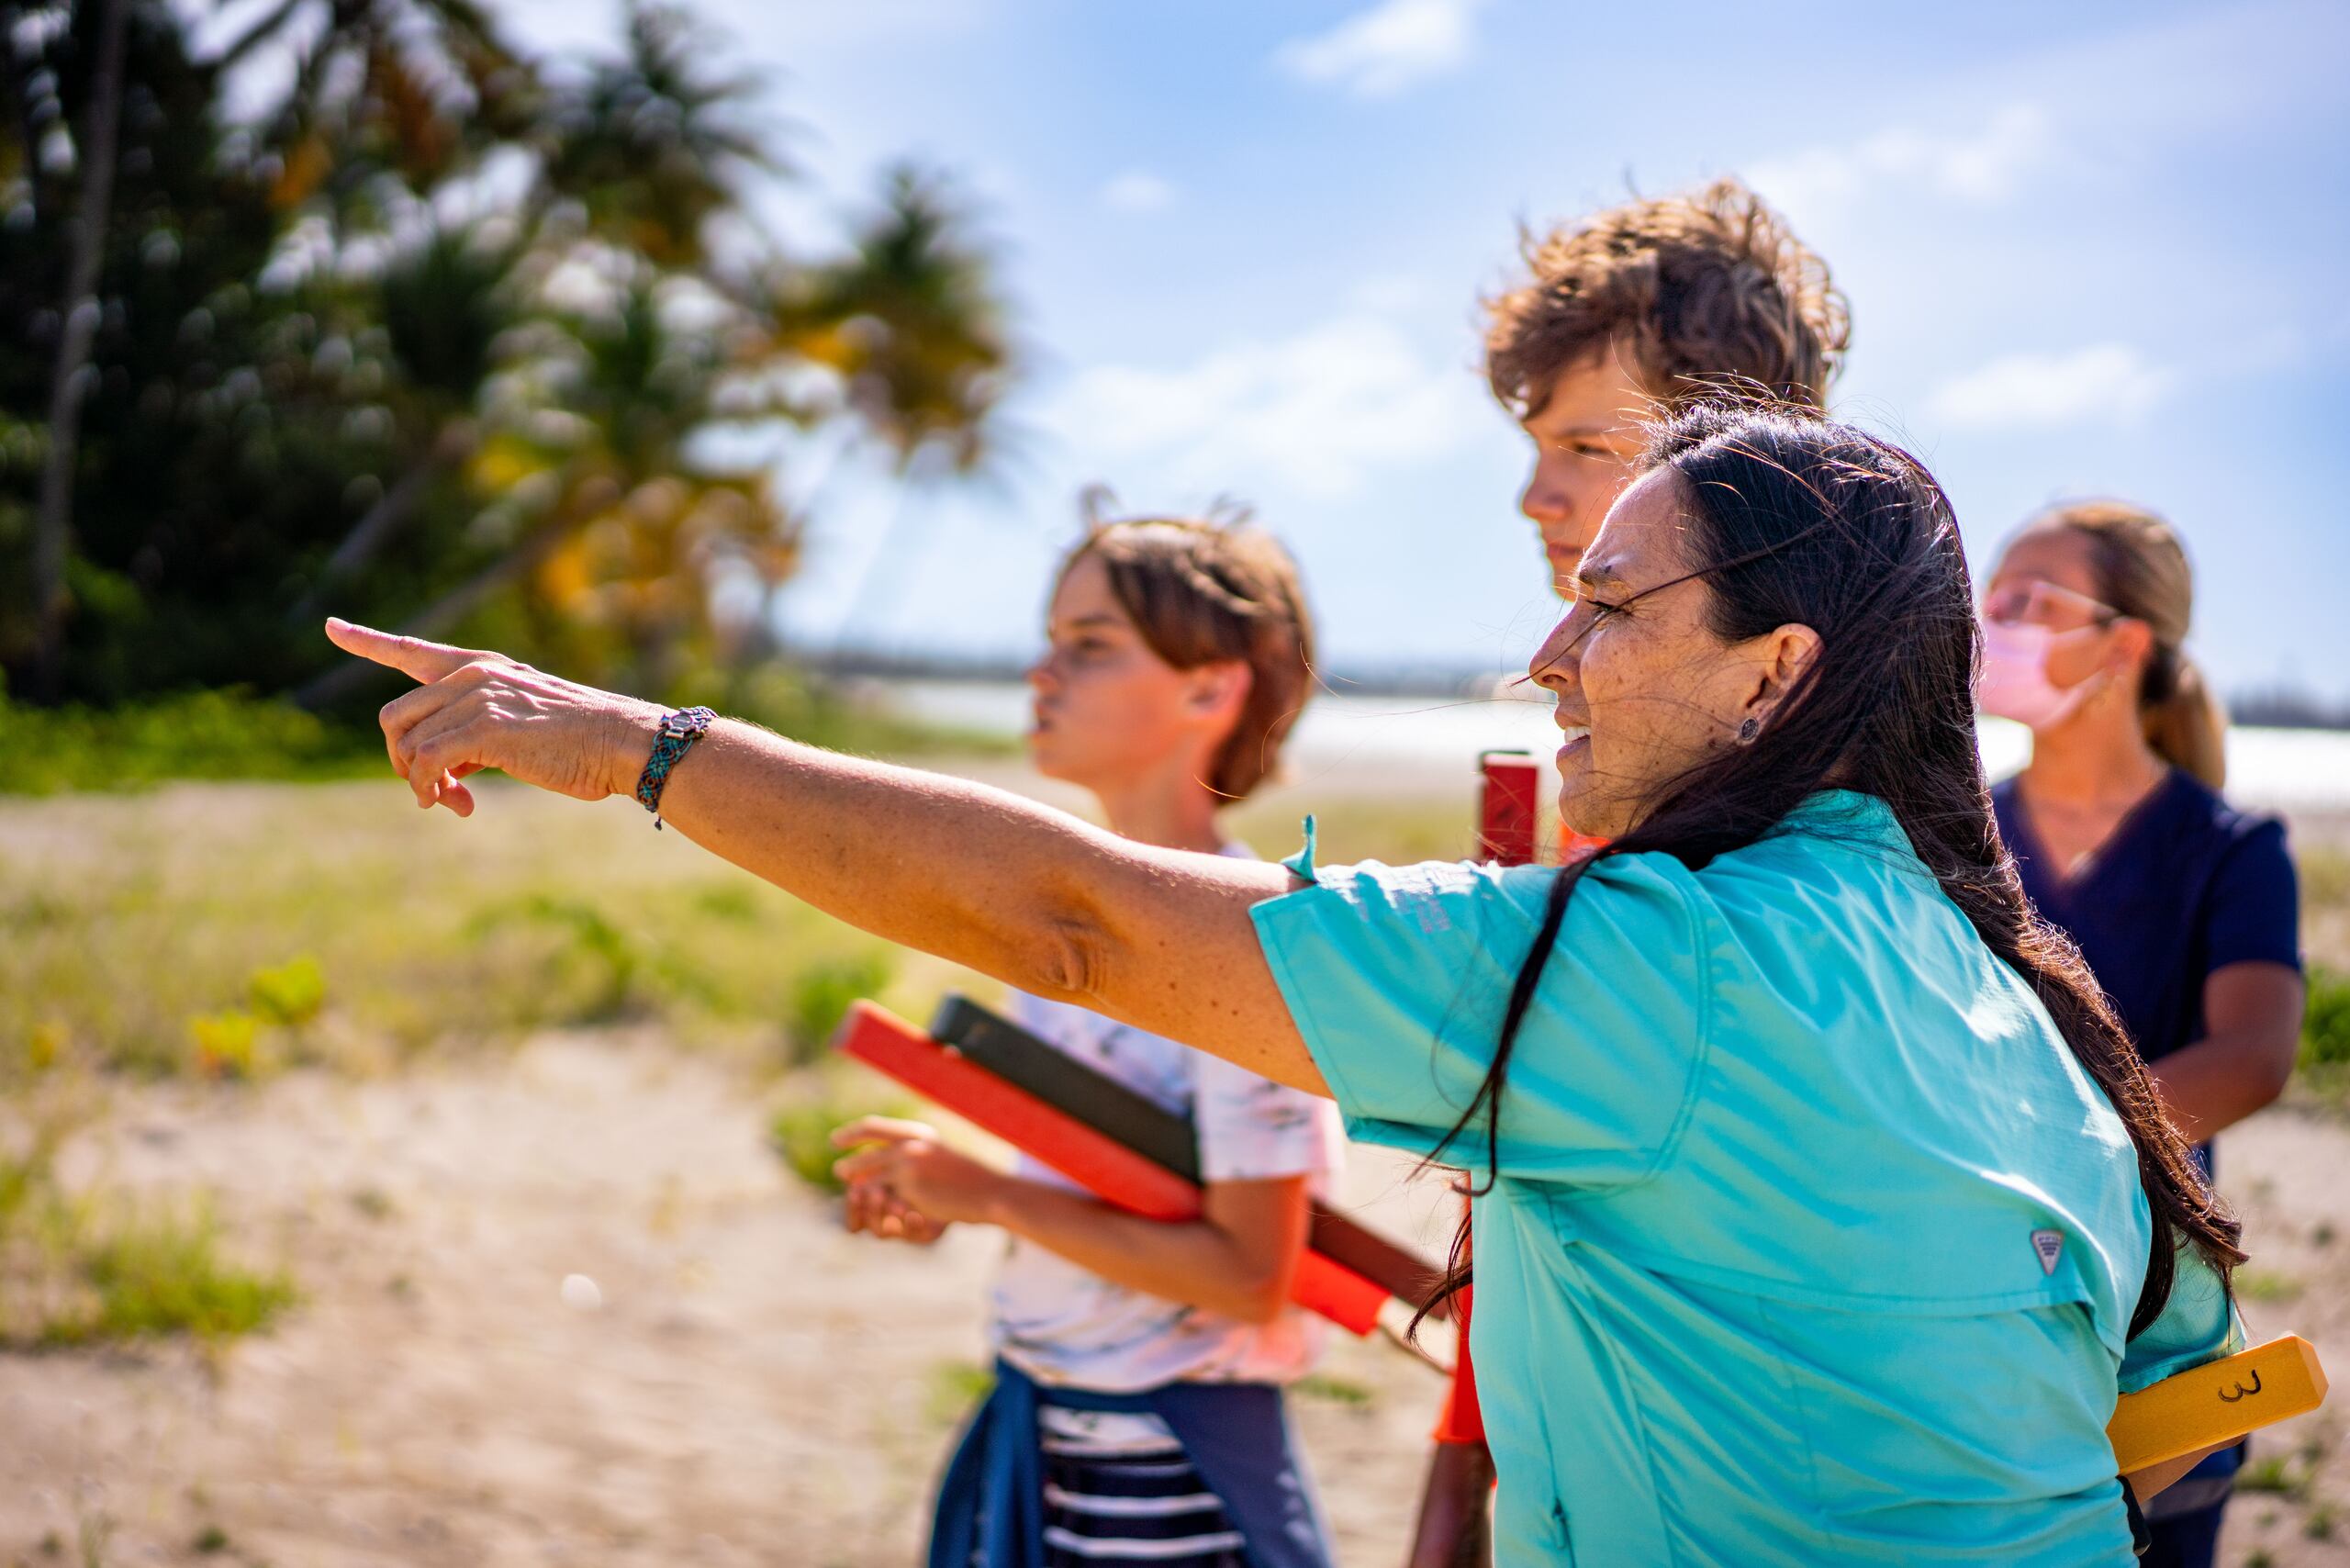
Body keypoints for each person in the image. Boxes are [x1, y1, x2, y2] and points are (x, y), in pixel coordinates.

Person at [326, 403, 2246, 1565]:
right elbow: (2178, 1401)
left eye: (1609, 600)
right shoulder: (2020, 984)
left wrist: (640, 746)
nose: (1543, 651)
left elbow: (1076, 921)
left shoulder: (1659, 968)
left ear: (1773, 670)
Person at [1411, 176, 1856, 1566]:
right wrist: (1460, 1471)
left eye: (1587, 444)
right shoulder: (1617, 748)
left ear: (1734, 452)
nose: (1537, 492)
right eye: (1534, 444)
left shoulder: (1834, 795)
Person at [830, 508, 1346, 1568]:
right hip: (1050, 1430)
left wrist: (984, 1195)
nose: (1040, 672)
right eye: (1051, 637)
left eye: (1090, 644)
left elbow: (1251, 1272)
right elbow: (1116, 1194)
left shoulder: (1245, 942)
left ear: (1210, 687)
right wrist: (955, 1196)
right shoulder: (1071, 930)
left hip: (1162, 1472)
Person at [1979, 501, 2305, 1567]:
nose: (1995, 622)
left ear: (2123, 642)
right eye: (1992, 598)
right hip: (1977, 1297)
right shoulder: (1958, 835)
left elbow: (2253, 1057)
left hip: (2154, 1313)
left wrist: (2053, 1148)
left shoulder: (2231, 848)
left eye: (2030, 601)